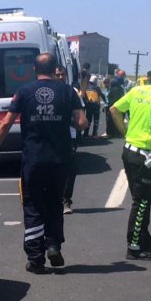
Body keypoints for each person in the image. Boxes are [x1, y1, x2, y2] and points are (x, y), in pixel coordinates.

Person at [0, 53, 87, 273]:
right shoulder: (68, 91)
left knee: (33, 205)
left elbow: (6, 122)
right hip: (60, 160)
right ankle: (53, 246)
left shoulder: (24, 91)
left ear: (35, 69)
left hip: (33, 160)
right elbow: (82, 123)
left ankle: (35, 258)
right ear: (55, 69)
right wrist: (63, 118)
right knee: (55, 203)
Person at [109, 60, 151, 260]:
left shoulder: (138, 90)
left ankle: (144, 239)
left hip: (129, 151)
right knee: (142, 201)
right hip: (146, 155)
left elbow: (114, 109)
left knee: (141, 199)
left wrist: (125, 133)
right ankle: (134, 246)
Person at [55, 65, 82, 214]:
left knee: (70, 170)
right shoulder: (47, 92)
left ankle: (66, 200)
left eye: (62, 74)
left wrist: (71, 122)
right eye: (57, 75)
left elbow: (80, 116)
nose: (60, 77)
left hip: (69, 136)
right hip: (51, 137)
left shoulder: (71, 92)